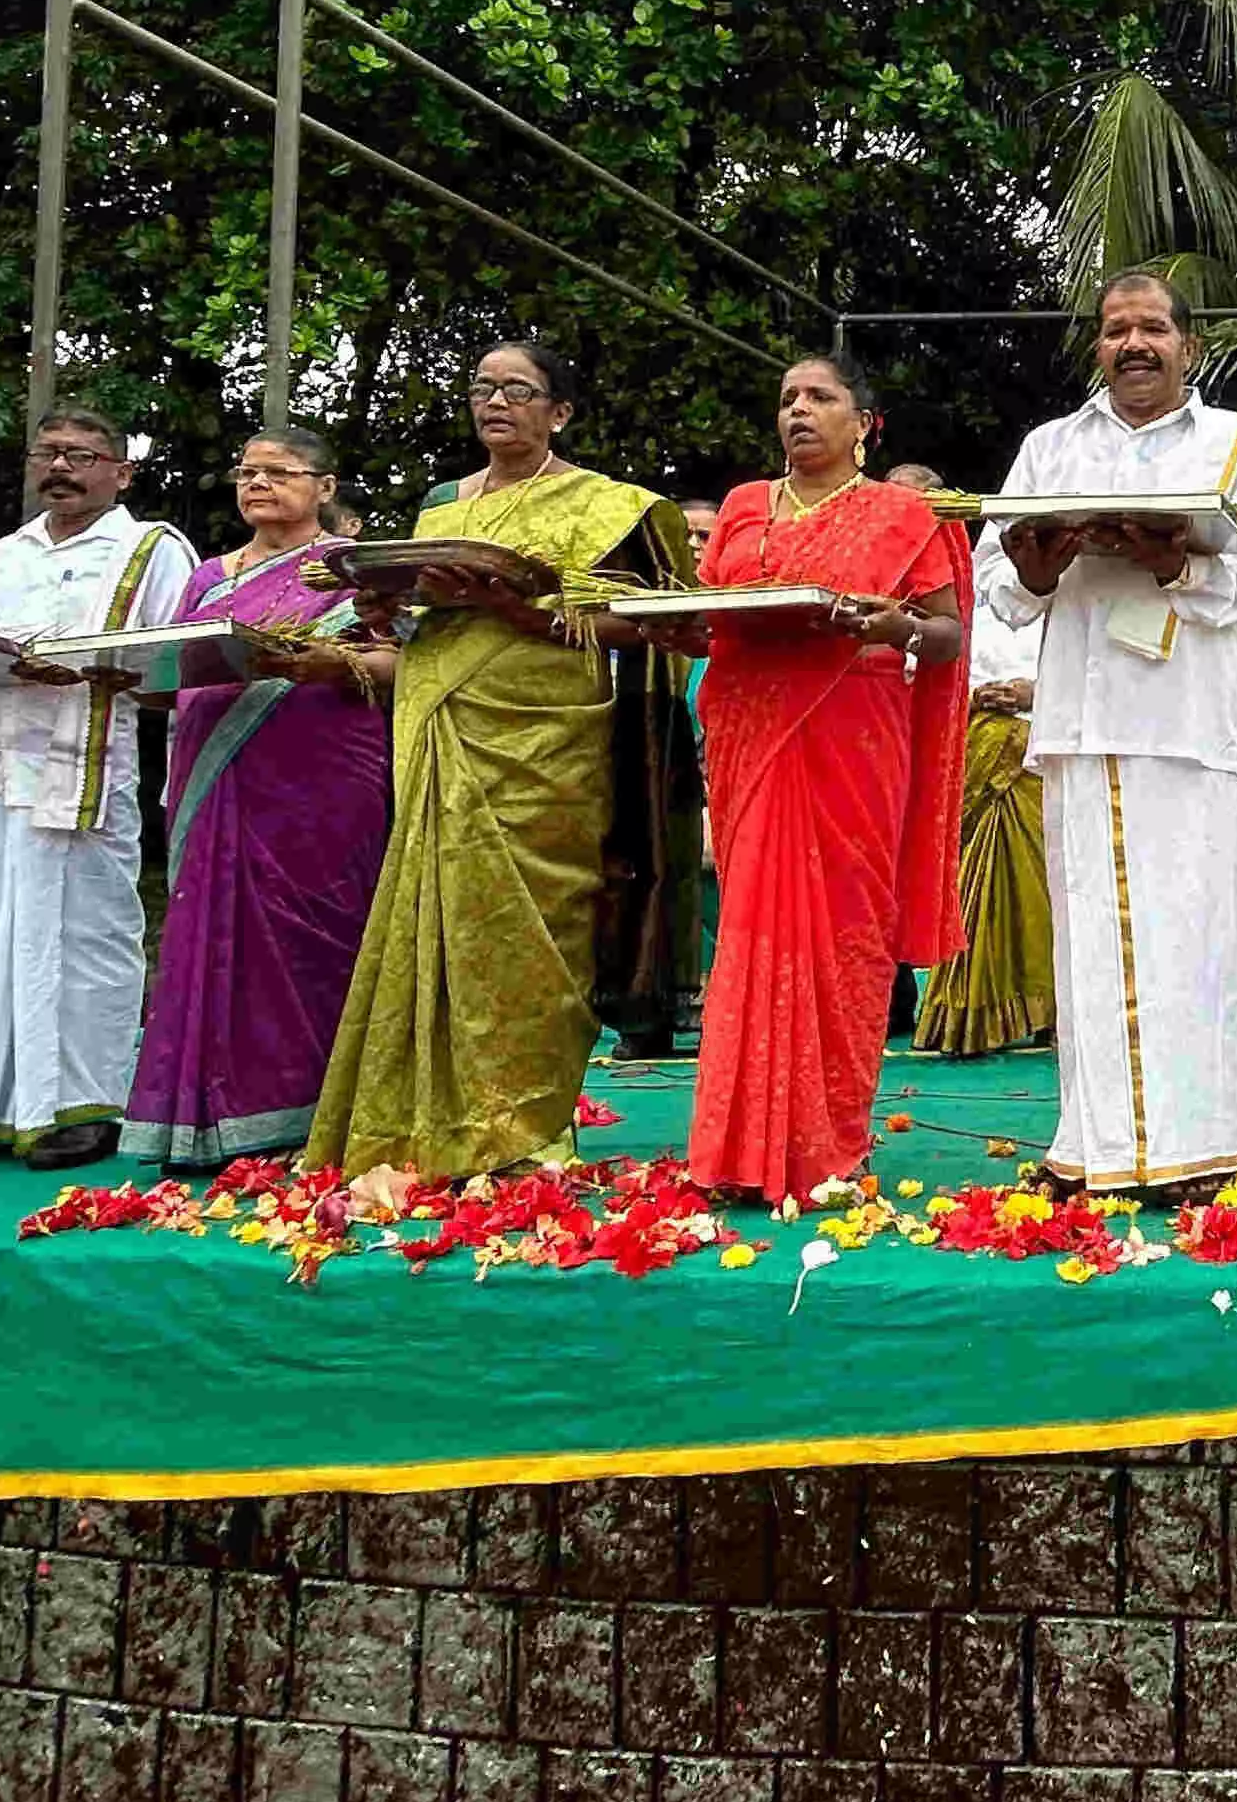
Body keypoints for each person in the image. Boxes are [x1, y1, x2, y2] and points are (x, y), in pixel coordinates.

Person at [304, 339, 699, 1176]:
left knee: (536, 930)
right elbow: (416, 625)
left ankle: (525, 1134)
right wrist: (385, 607)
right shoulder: (441, 514)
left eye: (518, 390)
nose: (495, 402)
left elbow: (660, 625)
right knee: (433, 918)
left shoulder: (610, 506)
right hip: (442, 717)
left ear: (559, 412)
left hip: (549, 736)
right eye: (483, 387)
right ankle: (422, 1129)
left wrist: (531, 615)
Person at [976, 268, 1237, 1195]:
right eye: (1117, 330)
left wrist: (1176, 567)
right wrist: (1037, 571)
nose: (1134, 345)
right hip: (1081, 721)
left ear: (1186, 346)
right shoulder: (1050, 447)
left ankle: (1195, 1151)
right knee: (1090, 945)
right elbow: (997, 580)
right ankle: (1094, 1151)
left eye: (1152, 327)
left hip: (1188, 725)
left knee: (1191, 937)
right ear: (1099, 349)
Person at [0, 409, 197, 1170]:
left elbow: (177, 671)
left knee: (84, 939)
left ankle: (88, 1108)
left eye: (82, 455)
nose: (62, 467)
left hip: (83, 766)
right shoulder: (4, 552)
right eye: (48, 453)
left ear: (121, 471)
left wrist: (101, 674)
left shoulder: (151, 548)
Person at [685, 355, 969, 1204]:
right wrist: (671, 634)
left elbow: (948, 636)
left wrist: (898, 625)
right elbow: (710, 616)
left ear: (863, 423)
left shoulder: (904, 514)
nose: (798, 411)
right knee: (753, 931)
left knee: (845, 928)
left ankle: (827, 1146)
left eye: (820, 397)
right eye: (786, 399)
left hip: (854, 728)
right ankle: (736, 1154)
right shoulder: (741, 505)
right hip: (749, 728)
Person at [122, 428, 396, 1172]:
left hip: (320, 777)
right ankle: (209, 1122)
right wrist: (106, 676)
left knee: (315, 933)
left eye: (280, 472)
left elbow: (397, 662)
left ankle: (318, 1109)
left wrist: (305, 663)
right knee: (209, 934)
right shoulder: (209, 579)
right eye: (248, 471)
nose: (260, 484)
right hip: (212, 772)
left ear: (326, 487)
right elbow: (167, 671)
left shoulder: (350, 571)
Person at [916, 481, 1054, 1059]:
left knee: (1036, 886)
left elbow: (1086, 671)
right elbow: (917, 670)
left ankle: (1047, 1013)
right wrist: (975, 697)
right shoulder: (952, 604)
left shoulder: (1060, 599)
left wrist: (1029, 691)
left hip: (1031, 754)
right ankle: (966, 1015)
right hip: (972, 750)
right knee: (969, 883)